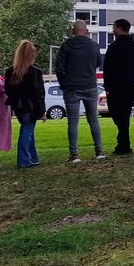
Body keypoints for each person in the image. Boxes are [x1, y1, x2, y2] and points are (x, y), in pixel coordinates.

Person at [56, 20, 104, 162]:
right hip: (89, 85)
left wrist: (63, 83)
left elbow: (59, 68)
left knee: (73, 121)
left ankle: (74, 154)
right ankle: (99, 151)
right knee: (93, 119)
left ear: (73, 31)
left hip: (71, 87)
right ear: (87, 31)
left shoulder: (65, 46)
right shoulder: (93, 45)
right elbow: (98, 63)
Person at [102, 18, 134, 155]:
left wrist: (107, 86)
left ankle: (123, 144)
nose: (112, 30)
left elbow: (107, 69)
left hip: (116, 86)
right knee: (125, 114)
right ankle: (123, 143)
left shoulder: (113, 48)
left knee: (117, 114)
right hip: (131, 85)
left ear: (120, 28)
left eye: (114, 27)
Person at [4, 40, 46, 168]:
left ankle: (32, 158)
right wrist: (41, 111)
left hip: (18, 106)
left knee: (28, 132)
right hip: (30, 106)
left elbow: (7, 90)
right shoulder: (34, 72)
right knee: (27, 132)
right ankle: (23, 160)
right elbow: (38, 93)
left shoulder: (11, 71)